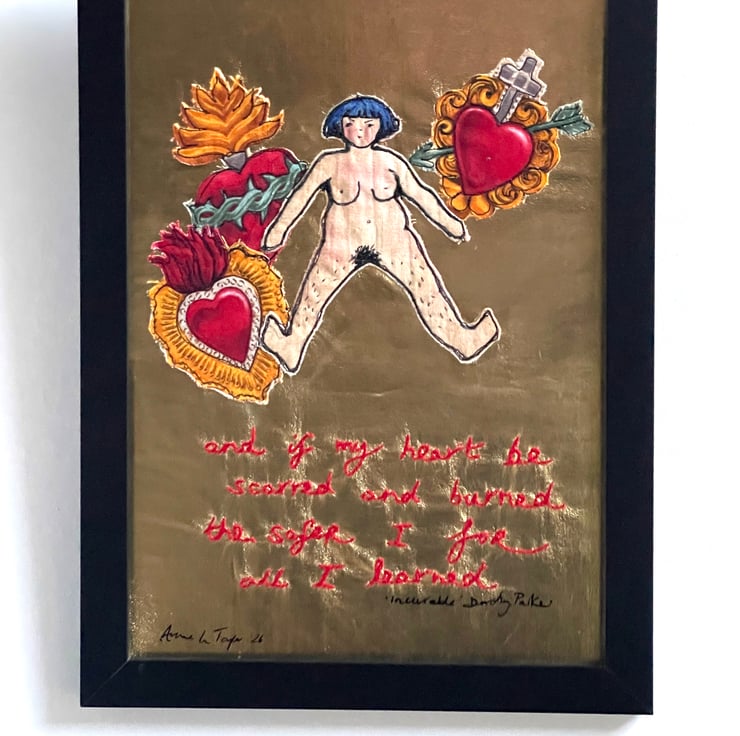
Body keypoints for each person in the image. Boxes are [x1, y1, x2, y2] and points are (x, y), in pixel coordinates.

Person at [261, 94, 499, 374]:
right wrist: (279, 230)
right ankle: (291, 344)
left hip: (393, 239)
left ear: (380, 127)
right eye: (351, 124)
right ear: (340, 127)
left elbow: (421, 195)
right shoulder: (329, 163)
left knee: (426, 289)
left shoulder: (391, 162)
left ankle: (463, 339)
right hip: (342, 242)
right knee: (314, 293)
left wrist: (449, 224)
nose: (359, 131)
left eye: (368, 124)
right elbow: (300, 198)